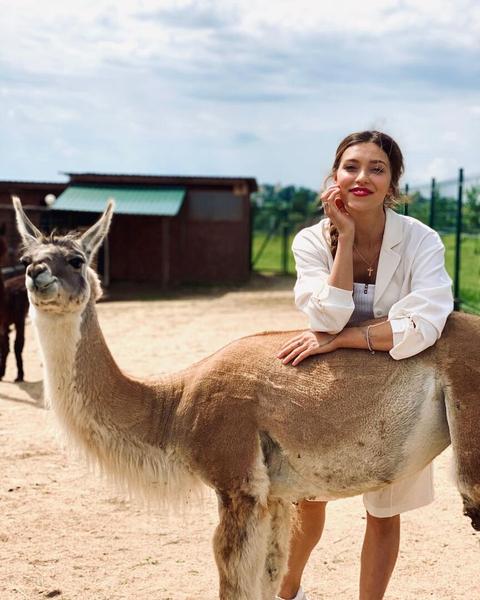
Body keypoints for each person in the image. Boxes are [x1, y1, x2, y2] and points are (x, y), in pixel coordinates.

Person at [275, 130, 454, 600]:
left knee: (384, 512)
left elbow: (426, 323)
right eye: (351, 166)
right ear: (335, 175)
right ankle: (287, 591)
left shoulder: (421, 240)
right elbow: (324, 317)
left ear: (393, 182)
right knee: (308, 499)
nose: (362, 178)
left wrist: (342, 341)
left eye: (377, 169)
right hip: (329, 385)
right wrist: (347, 237)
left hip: (400, 391)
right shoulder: (311, 241)